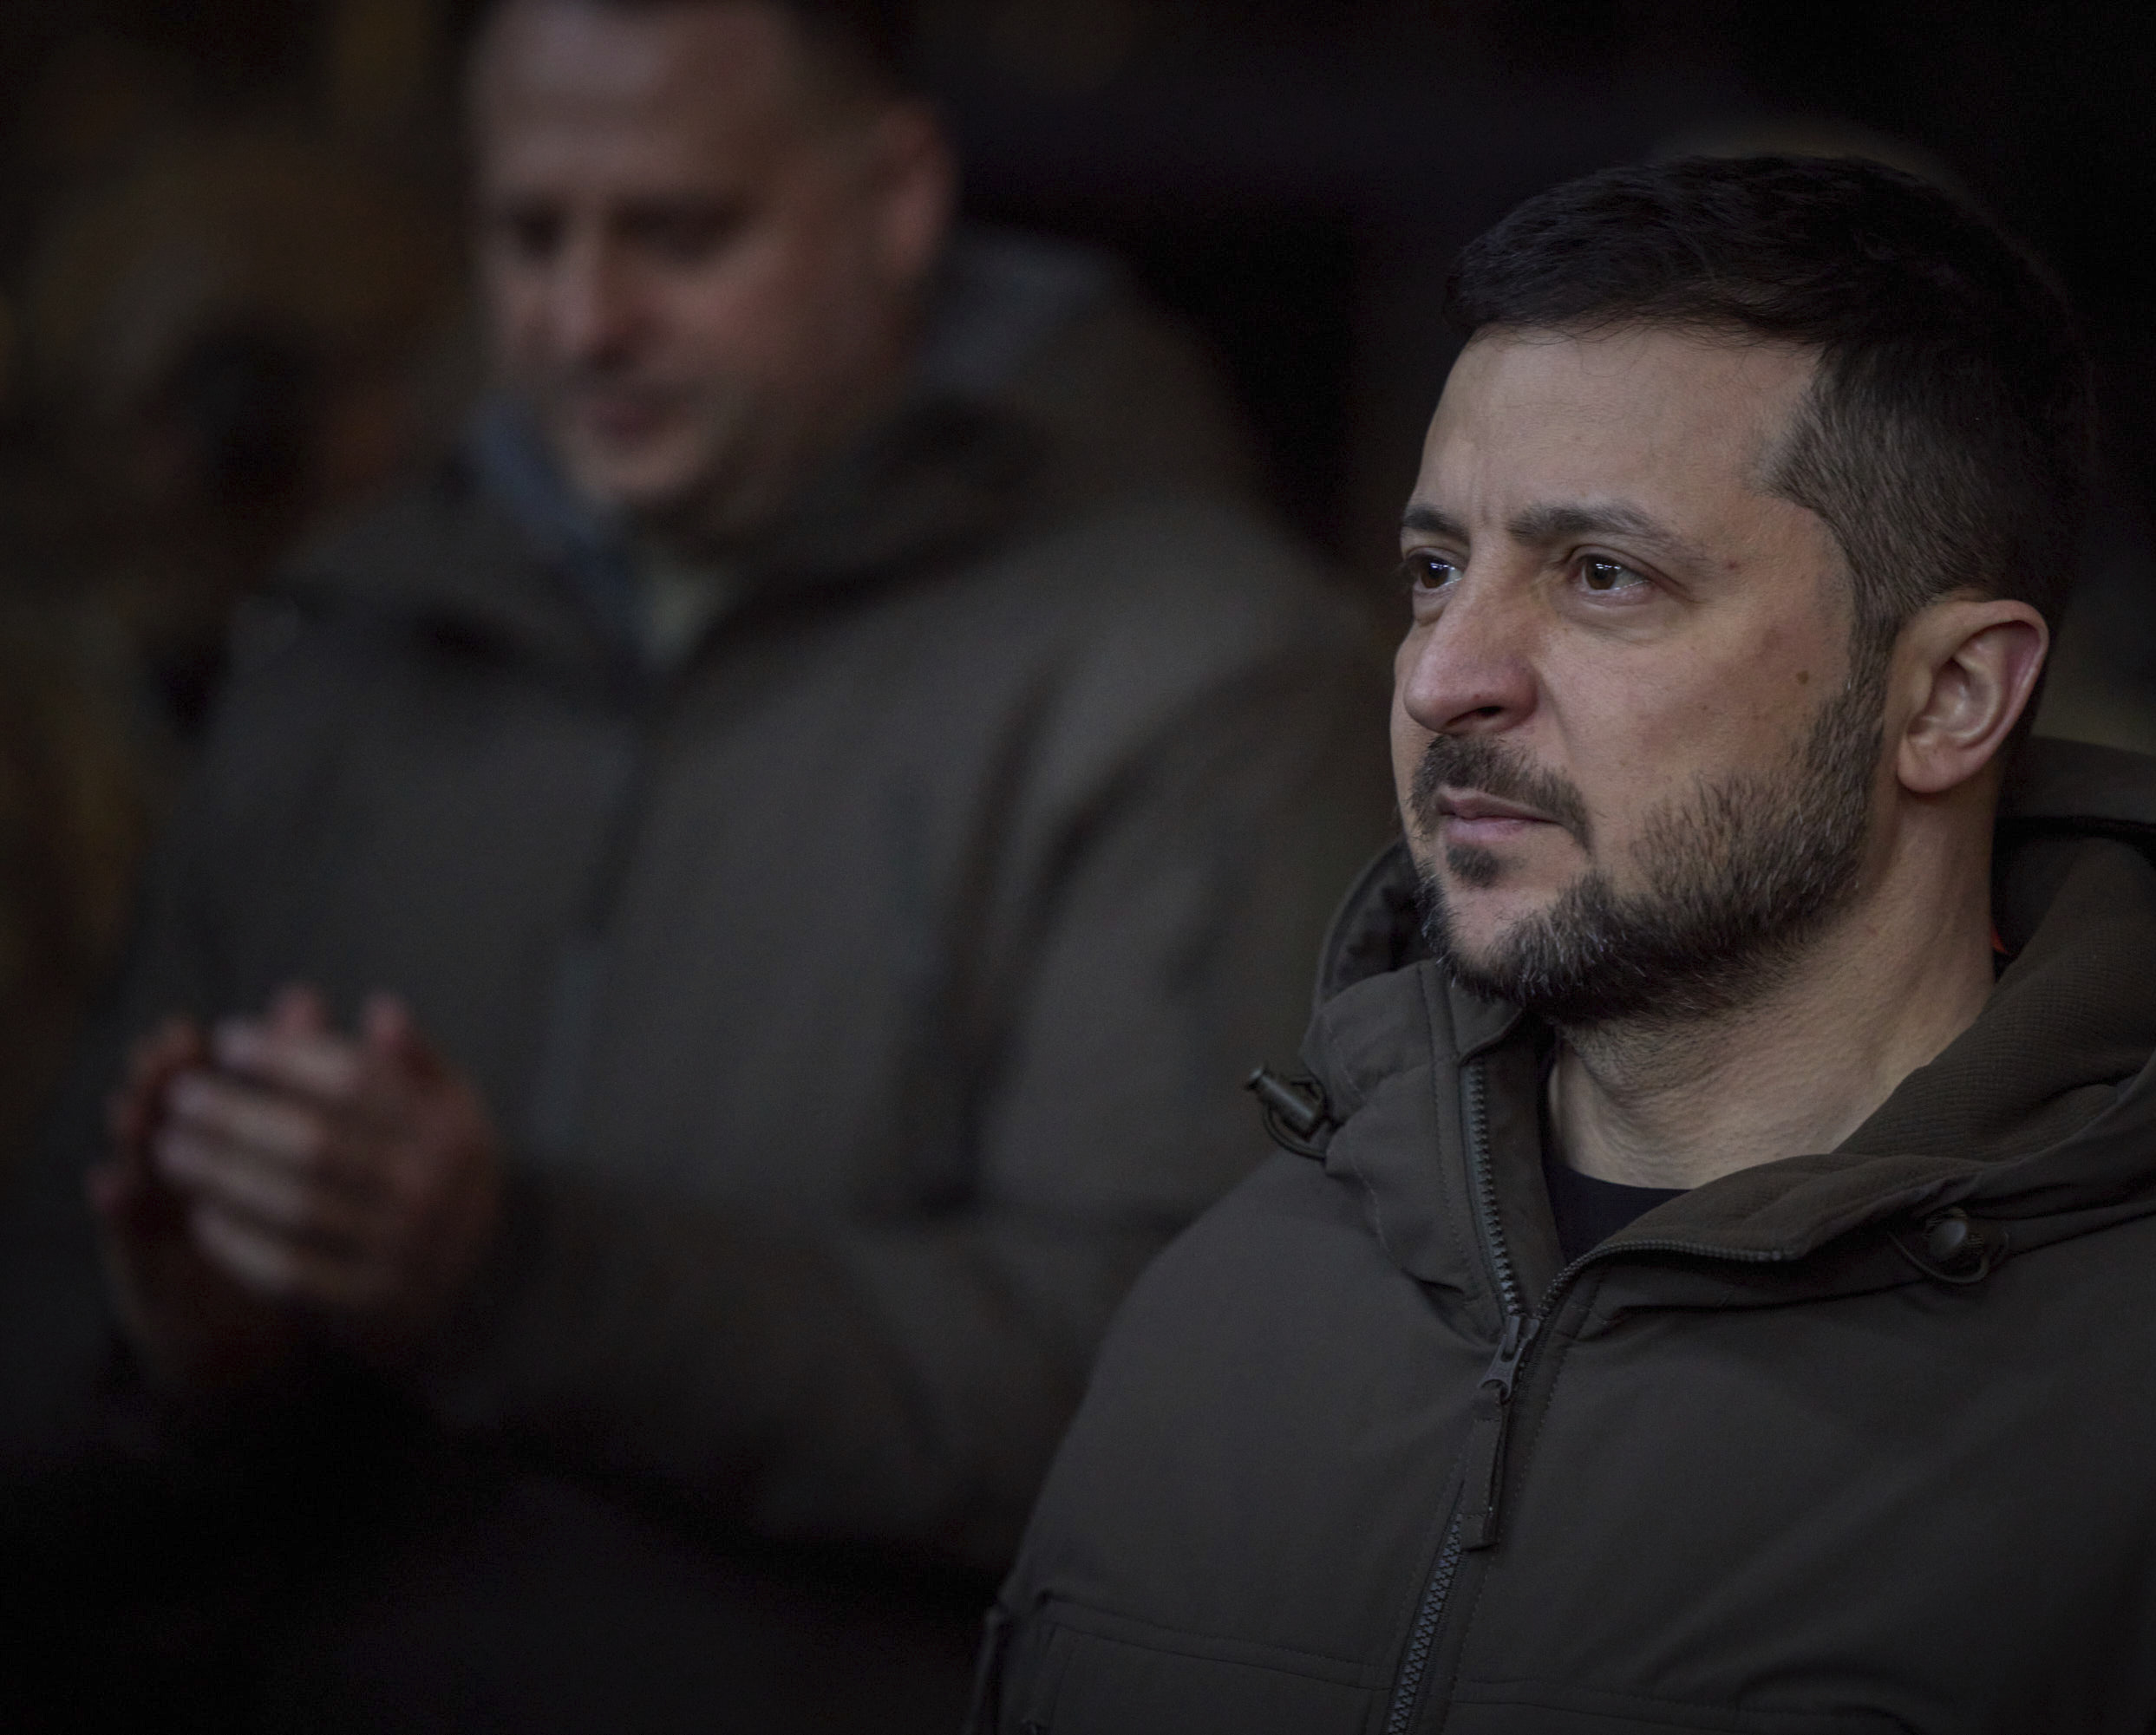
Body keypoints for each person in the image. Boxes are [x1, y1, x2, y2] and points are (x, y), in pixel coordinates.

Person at [976, 156, 2156, 1732]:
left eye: (1602, 575)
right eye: (1433, 569)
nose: (1442, 674)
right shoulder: (1234, 1304)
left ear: (1951, 695)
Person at [0, 0, 1385, 1727]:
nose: (585, 319)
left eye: (678, 231)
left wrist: (510, 1272)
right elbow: (50, 1303)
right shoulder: (350, 644)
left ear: (894, 197)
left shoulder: (1201, 670)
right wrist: (185, 1358)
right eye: (528, 234)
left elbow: (1181, 1392)